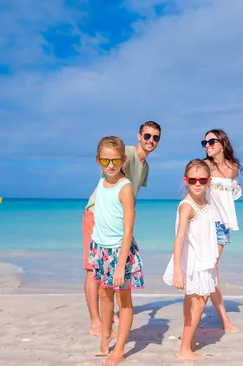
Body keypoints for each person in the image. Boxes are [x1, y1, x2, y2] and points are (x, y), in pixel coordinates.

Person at [82, 121, 161, 337]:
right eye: (147, 136)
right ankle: (96, 322)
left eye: (155, 138)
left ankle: (108, 316)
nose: (150, 141)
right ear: (139, 136)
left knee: (114, 268)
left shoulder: (145, 166)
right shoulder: (125, 152)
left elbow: (130, 192)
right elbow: (108, 168)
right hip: (96, 213)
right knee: (94, 268)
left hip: (116, 220)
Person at [88, 136, 144, 366]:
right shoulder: (102, 179)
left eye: (115, 161)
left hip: (120, 251)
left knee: (124, 300)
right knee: (103, 293)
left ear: (124, 160)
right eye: (104, 161)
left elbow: (129, 228)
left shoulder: (125, 188)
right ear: (98, 161)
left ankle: (119, 350)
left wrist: (121, 263)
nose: (110, 166)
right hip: (100, 249)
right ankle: (105, 336)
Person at [163, 159, 219, 361]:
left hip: (204, 260)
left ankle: (189, 339)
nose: (197, 184)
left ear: (208, 181)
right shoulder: (187, 206)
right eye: (193, 179)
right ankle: (184, 349)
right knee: (199, 303)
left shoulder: (205, 202)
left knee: (192, 301)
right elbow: (179, 238)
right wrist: (178, 269)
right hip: (193, 262)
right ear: (185, 180)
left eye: (202, 180)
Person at [202, 129, 243, 333]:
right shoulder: (204, 166)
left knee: (210, 270)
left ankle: (210, 317)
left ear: (222, 143)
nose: (207, 145)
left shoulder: (232, 167)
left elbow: (228, 194)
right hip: (205, 222)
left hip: (222, 225)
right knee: (207, 269)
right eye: (205, 142)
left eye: (211, 141)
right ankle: (223, 319)